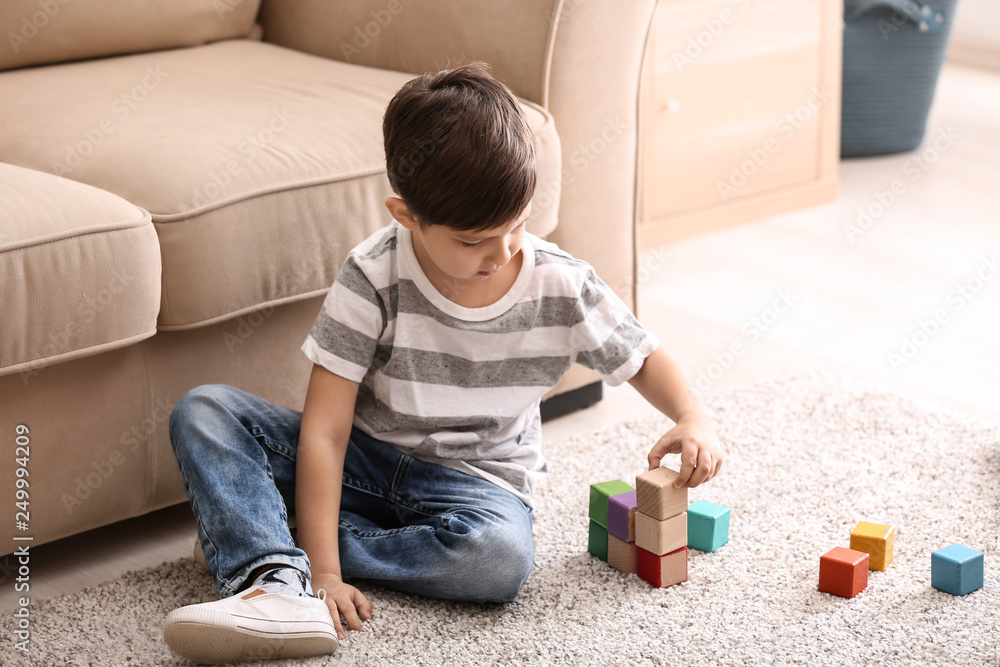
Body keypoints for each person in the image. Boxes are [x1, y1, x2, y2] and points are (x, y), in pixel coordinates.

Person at [162, 61, 724, 664]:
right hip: (365, 461)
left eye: (517, 226)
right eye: (472, 240)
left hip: (477, 484)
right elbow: (325, 431)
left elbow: (641, 355)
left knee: (499, 560)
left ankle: (264, 537)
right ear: (406, 215)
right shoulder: (372, 275)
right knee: (205, 411)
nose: (501, 253)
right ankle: (275, 584)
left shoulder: (562, 284)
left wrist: (693, 418)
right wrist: (325, 576)